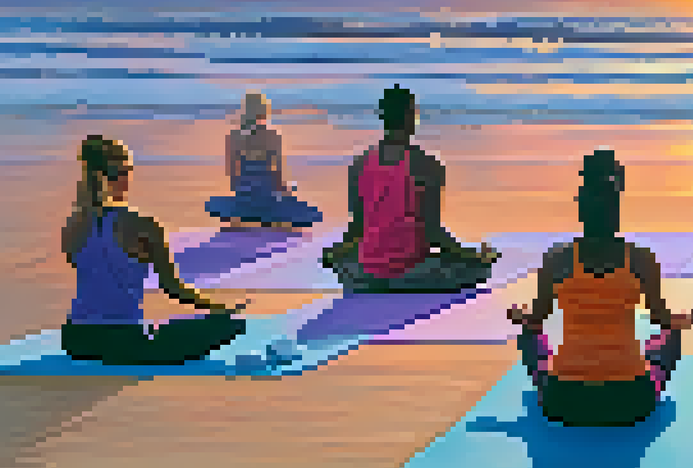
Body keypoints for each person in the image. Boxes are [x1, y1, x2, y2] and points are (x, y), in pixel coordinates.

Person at [507, 149, 693, 427]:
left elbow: (535, 321)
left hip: (564, 401)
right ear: (617, 212)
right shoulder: (640, 259)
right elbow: (662, 319)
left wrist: (519, 316)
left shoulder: (558, 259)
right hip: (629, 401)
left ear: (580, 210)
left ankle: (550, 383)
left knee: (530, 338)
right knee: (668, 340)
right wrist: (685, 320)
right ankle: (647, 369)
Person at [61, 136, 249, 365]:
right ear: (119, 175)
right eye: (128, 171)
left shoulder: (72, 225)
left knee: (165, 328)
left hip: (75, 339)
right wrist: (220, 308)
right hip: (124, 340)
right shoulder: (142, 224)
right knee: (231, 325)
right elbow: (173, 288)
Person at [321, 85, 500, 293]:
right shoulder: (426, 164)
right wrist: (475, 256)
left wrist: (335, 253)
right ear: (410, 117)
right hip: (411, 270)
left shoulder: (360, 164)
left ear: (383, 117)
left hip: (366, 272)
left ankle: (371, 278)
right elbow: (433, 233)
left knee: (348, 261)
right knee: (477, 270)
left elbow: (357, 228)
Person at [205, 92, 323, 229]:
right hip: (267, 192)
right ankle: (267, 213)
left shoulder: (234, 136)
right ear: (264, 111)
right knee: (305, 210)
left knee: (215, 204)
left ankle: (246, 212)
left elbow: (232, 174)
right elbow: (278, 172)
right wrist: (285, 192)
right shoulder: (272, 136)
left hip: (245, 192)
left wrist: (240, 190)